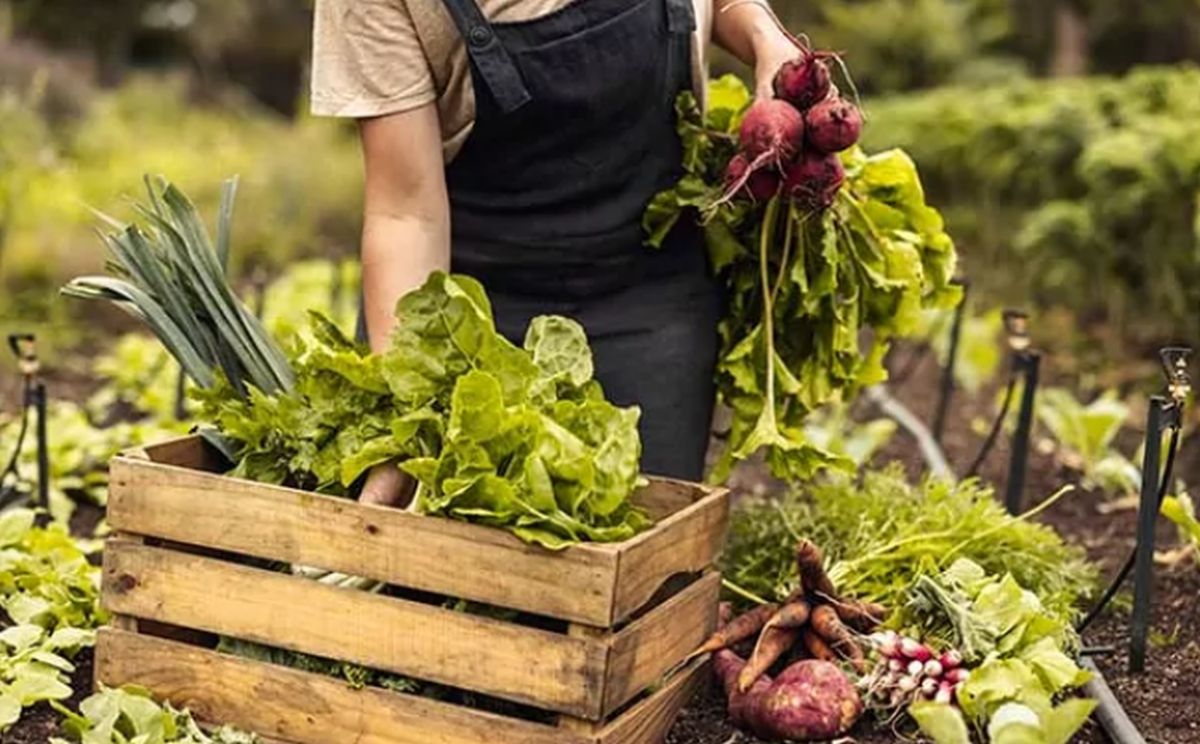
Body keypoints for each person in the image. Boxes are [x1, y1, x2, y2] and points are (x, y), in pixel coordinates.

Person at [311, 0, 799, 505]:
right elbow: (406, 213)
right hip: (471, 329)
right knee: (444, 569)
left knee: (644, 558)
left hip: (652, 304)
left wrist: (764, 35)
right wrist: (405, 411)